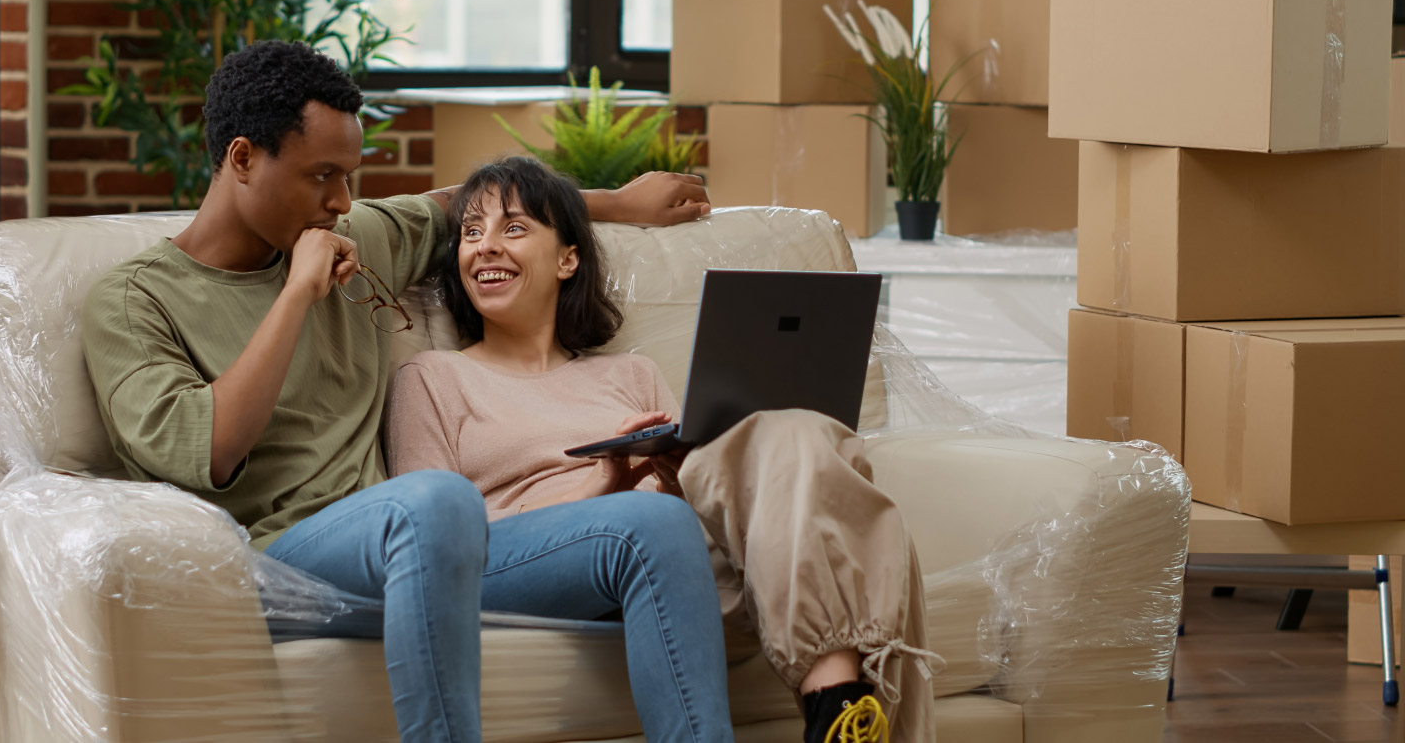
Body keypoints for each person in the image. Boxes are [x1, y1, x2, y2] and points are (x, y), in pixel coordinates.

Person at [81, 41, 736, 743]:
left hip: (425, 560)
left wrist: (616, 202)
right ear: (242, 160)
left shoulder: (351, 232)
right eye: (322, 176)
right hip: (276, 570)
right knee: (435, 499)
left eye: (350, 176)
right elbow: (211, 449)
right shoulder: (132, 301)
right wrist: (298, 292)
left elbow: (454, 206)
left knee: (658, 528)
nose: (342, 200)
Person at [385, 157, 940, 743]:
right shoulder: (431, 377)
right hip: (538, 567)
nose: (485, 247)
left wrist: (676, 482)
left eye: (514, 228)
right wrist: (596, 492)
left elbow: (684, 514)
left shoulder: (632, 374)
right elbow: (429, 542)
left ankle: (836, 707)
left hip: (674, 567)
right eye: (471, 232)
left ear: (568, 258)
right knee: (657, 518)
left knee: (802, 435)